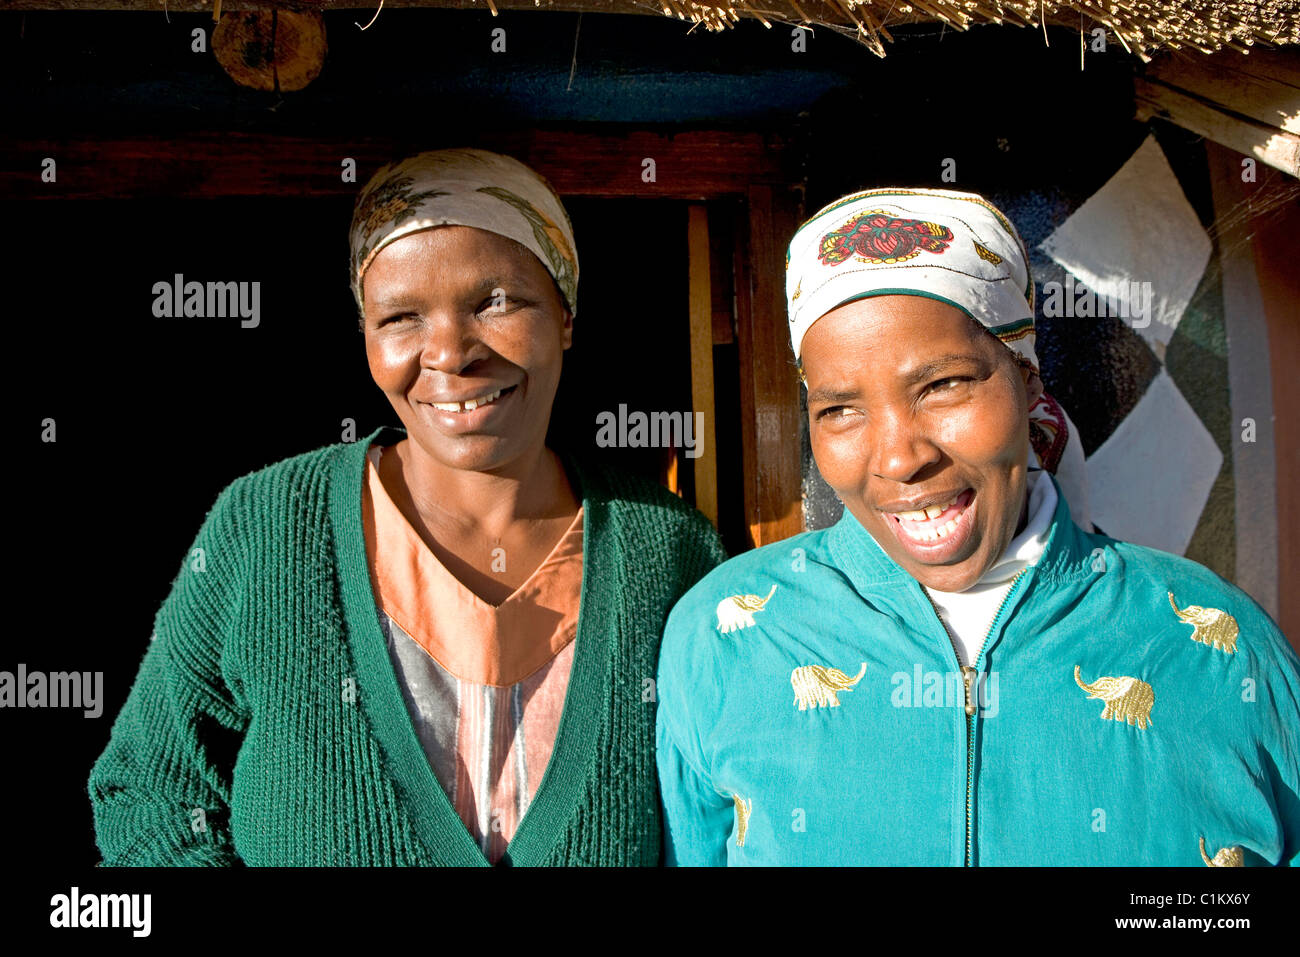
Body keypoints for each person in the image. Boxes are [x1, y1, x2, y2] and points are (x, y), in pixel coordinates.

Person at [89, 148, 727, 866]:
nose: (450, 353)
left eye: (496, 301)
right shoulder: (267, 527)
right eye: (401, 316)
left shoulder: (667, 550)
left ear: (567, 315)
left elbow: (736, 813)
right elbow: (151, 794)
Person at [655, 187, 1300, 865]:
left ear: (1027, 385)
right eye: (841, 408)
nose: (901, 456)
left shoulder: (1216, 647)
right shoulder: (727, 638)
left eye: (943, 385)